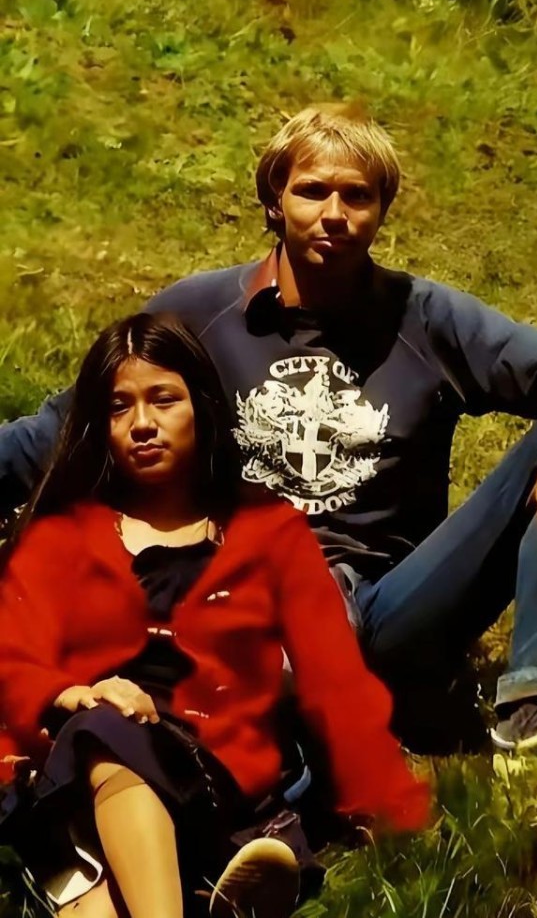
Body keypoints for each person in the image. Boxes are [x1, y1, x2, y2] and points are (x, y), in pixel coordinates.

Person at [1, 104, 537, 754]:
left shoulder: (425, 317)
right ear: (275, 201)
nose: (334, 214)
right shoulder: (200, 314)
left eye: (357, 196)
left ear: (382, 209)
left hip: (399, 607)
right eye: (312, 191)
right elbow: (72, 424)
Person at [0, 312, 428, 918]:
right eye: (120, 407)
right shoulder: (63, 536)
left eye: (163, 400)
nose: (142, 424)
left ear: (200, 406)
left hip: (215, 776)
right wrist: (75, 694)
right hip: (78, 766)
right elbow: (12, 656)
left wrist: (387, 802)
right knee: (105, 734)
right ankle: (195, 895)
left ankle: (189, 883)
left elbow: (334, 675)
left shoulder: (268, 532)